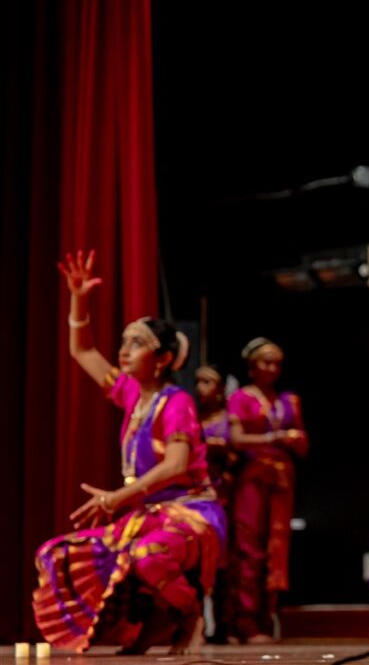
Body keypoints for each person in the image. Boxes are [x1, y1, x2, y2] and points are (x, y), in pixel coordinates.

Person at [34, 250, 226, 654]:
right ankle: (151, 624)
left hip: (192, 513)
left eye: (137, 344)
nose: (124, 351)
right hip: (147, 515)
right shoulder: (131, 394)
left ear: (164, 359)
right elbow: (83, 352)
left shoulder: (177, 403)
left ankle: (189, 613)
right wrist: (79, 299)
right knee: (62, 555)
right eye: (123, 342)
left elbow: (175, 465)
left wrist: (117, 497)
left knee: (147, 555)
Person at [227, 338, 308, 644]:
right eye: (265, 362)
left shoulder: (288, 400)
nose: (272, 368)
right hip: (253, 476)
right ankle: (243, 621)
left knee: (277, 548)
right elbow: (236, 439)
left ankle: (267, 617)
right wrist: (276, 437)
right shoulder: (241, 398)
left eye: (277, 363)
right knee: (249, 546)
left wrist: (295, 440)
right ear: (251, 367)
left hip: (282, 478)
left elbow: (303, 444)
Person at [195, 364, 236, 643]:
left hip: (224, 496)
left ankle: (224, 626)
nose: (201, 388)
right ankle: (194, 623)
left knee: (223, 562)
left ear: (220, 388)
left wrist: (222, 450)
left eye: (208, 382)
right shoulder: (191, 417)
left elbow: (239, 452)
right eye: (198, 382)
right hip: (197, 495)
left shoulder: (229, 419)